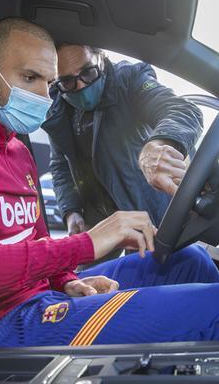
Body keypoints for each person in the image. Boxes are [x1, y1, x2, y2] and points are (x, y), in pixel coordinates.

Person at [0, 17, 219, 348]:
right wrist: (84, 244)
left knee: (188, 260)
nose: (42, 97)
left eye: (49, 84)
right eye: (30, 78)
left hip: (42, 296)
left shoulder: (17, 149)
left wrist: (67, 280)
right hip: (1, 321)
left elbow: (34, 240)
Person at [43, 44, 203, 241]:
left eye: (88, 72)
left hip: (146, 212)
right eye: (68, 82)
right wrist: (71, 210)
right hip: (97, 220)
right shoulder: (58, 111)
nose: (81, 86)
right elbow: (60, 165)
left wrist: (159, 144)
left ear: (100, 58)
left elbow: (182, 110)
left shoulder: (129, 80)